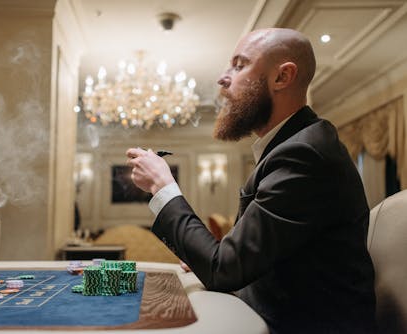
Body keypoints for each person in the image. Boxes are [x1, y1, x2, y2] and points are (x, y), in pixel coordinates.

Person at [126, 28, 376, 333]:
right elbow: (242, 260)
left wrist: (162, 187)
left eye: (239, 64)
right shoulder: (294, 145)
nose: (222, 77)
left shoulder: (304, 153)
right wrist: (206, 256)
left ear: (282, 77)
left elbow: (224, 270)